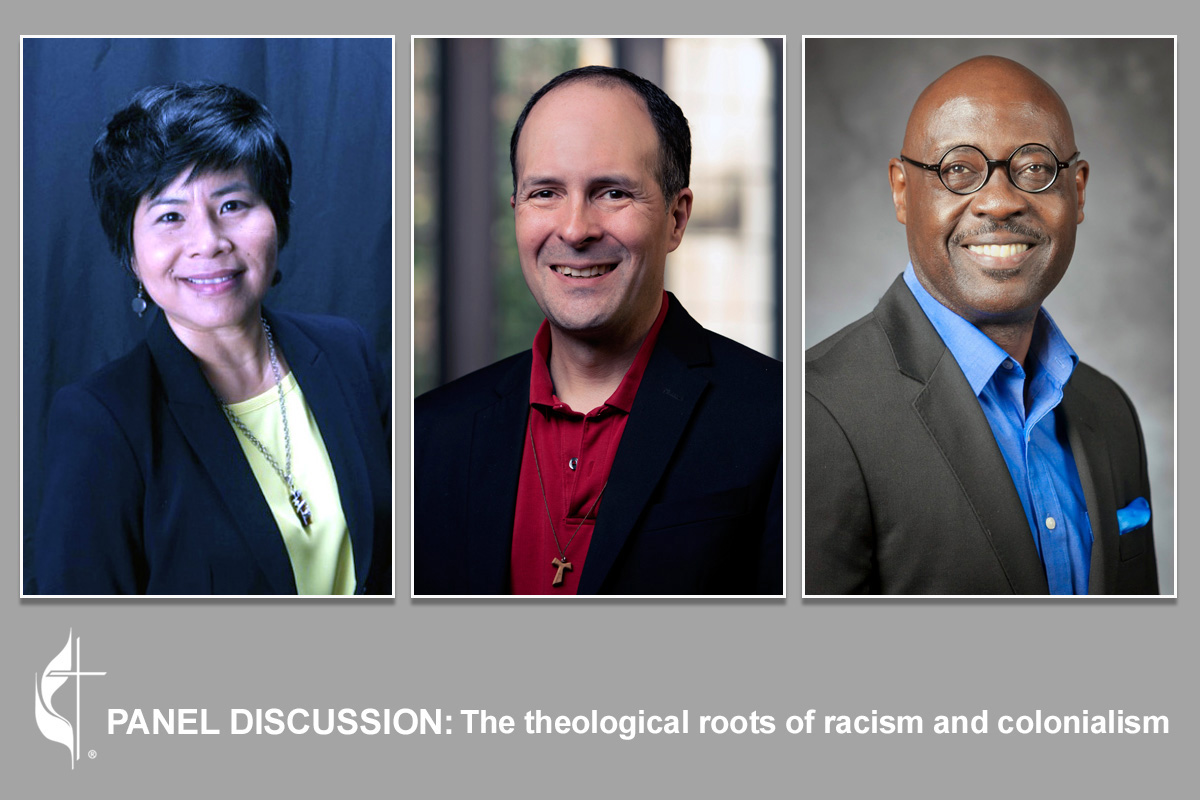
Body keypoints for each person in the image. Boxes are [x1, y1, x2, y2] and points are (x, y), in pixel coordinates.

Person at [415, 66, 782, 595]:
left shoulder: (780, 417)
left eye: (611, 193)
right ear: (516, 211)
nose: (574, 230)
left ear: (676, 218)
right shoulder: (428, 437)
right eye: (545, 193)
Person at [805, 56, 1158, 595]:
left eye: (1035, 168)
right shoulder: (812, 415)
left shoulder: (1110, 412)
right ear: (902, 191)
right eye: (958, 169)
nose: (999, 202)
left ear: (1078, 191)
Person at [33, 82, 391, 595]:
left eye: (232, 205)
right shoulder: (102, 421)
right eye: (170, 216)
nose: (208, 242)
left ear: (277, 218)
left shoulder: (345, 352)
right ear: (131, 253)